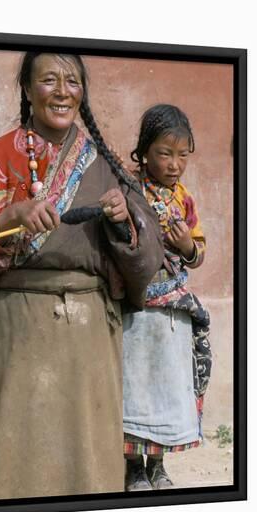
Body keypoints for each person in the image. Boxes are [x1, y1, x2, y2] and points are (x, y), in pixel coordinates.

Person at [0, 52, 164, 502]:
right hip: (11, 330)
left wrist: (123, 222)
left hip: (86, 342)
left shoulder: (103, 160)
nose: (62, 92)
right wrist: (13, 214)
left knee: (82, 460)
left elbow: (148, 249)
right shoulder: (1, 154)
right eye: (49, 80)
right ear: (26, 89)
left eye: (73, 81)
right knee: (9, 455)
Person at [122, 104, 212, 491]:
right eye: (164, 153)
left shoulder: (185, 199)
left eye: (182, 156)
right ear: (144, 151)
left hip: (172, 311)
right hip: (135, 309)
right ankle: (132, 467)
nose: (174, 165)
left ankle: (156, 466)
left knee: (161, 387)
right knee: (133, 387)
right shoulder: (129, 188)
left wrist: (187, 245)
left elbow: (200, 250)